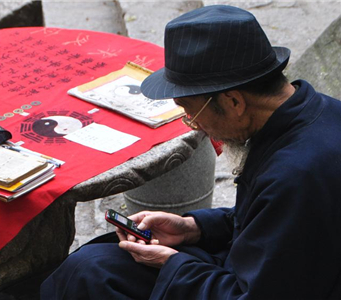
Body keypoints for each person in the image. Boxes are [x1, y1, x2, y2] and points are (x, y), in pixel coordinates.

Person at [40, 5, 341, 299]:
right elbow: (267, 221)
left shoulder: (297, 175)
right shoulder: (317, 110)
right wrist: (194, 227)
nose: (194, 125)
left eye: (191, 113)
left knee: (91, 277)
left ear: (234, 102)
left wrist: (170, 263)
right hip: (262, 267)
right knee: (93, 267)